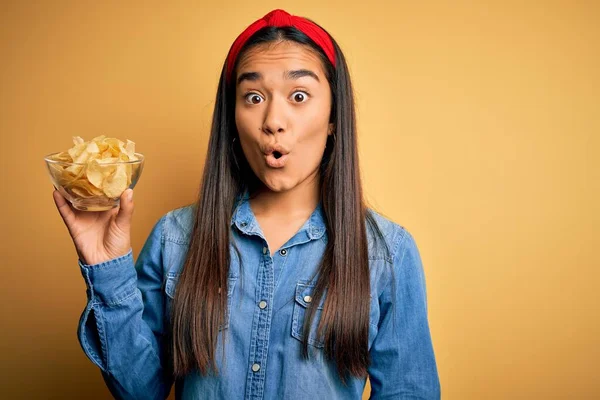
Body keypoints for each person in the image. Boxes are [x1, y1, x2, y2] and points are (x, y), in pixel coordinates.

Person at [53, 9, 441, 400]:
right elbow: (139, 391)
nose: (273, 120)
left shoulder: (388, 254)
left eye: (299, 96)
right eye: (253, 97)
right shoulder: (175, 239)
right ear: (233, 119)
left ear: (333, 117)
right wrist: (106, 267)